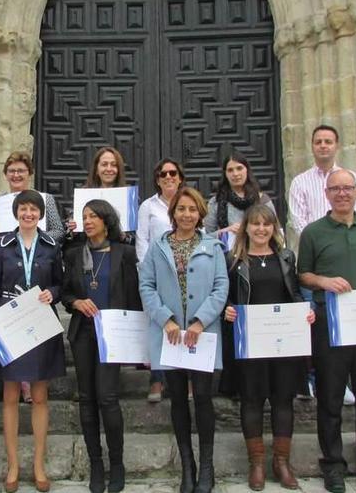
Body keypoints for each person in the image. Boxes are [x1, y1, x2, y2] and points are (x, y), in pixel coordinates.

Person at [297, 169, 356, 493]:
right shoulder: (313, 232)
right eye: (335, 189)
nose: (342, 194)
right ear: (326, 194)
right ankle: (333, 464)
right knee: (330, 397)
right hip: (331, 324)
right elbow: (303, 275)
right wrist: (324, 281)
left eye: (347, 188)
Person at [139, 186, 228, 493]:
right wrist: (166, 318)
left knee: (203, 398)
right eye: (181, 209)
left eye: (192, 209)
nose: (187, 214)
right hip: (171, 336)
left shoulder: (213, 246)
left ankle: (207, 467)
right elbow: (146, 286)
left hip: (202, 336)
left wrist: (201, 321)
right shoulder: (157, 247)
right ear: (172, 212)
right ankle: (187, 468)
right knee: (177, 399)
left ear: (200, 213)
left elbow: (221, 287)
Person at [223, 204, 314, 491]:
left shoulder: (286, 257)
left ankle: (282, 463)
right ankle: (257, 463)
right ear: (245, 228)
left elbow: (295, 291)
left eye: (267, 225)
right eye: (255, 224)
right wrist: (227, 309)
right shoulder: (233, 260)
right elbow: (225, 295)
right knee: (251, 400)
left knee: (282, 400)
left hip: (282, 342)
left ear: (274, 228)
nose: (261, 230)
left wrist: (305, 310)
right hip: (251, 341)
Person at [0, 190, 65, 493]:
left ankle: (39, 465)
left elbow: (60, 282)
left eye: (34, 209)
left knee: (41, 396)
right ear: (16, 212)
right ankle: (14, 465)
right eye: (23, 209)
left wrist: (53, 294)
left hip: (41, 322)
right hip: (11, 324)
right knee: (10, 396)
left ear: (41, 214)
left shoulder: (50, 245)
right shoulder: (3, 246)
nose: (28, 214)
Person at [61, 200, 142, 493]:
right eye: (84, 216)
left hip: (115, 335)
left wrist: (137, 341)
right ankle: (96, 464)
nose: (88, 220)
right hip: (84, 334)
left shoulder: (125, 253)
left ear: (106, 220)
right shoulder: (73, 254)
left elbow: (134, 296)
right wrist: (76, 302)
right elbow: (66, 292)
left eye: (93, 215)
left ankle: (116, 463)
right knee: (87, 398)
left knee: (107, 397)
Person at [288, 125, 356, 405]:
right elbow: (299, 222)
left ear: (337, 145)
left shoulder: (352, 178)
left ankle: (345, 382)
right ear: (312, 146)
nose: (323, 146)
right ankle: (312, 380)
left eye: (328, 141)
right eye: (318, 141)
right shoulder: (300, 182)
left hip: (347, 261)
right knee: (315, 324)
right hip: (313, 264)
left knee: (349, 324)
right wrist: (324, 240)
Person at [204, 152, 276, 400]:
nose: (235, 173)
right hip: (228, 266)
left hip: (258, 264)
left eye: (239, 168)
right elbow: (205, 235)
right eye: (230, 169)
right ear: (225, 174)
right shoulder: (216, 203)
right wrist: (226, 230)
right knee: (233, 321)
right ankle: (234, 383)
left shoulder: (263, 200)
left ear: (247, 170)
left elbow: (274, 229)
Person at [135, 158, 186, 402]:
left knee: (184, 322)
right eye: (163, 174)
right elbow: (142, 239)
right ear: (157, 179)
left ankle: (186, 378)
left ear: (180, 177)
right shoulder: (148, 206)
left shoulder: (188, 203)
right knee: (157, 324)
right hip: (155, 273)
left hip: (185, 272)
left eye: (173, 173)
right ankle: (157, 378)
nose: (168, 177)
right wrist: (147, 271)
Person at [66, 147, 135, 249]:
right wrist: (72, 228)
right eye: (104, 164)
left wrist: (123, 236)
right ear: (97, 170)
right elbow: (69, 233)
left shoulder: (130, 196)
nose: (109, 169)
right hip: (88, 253)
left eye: (114, 165)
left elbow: (136, 237)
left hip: (119, 254)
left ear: (119, 169)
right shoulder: (84, 194)